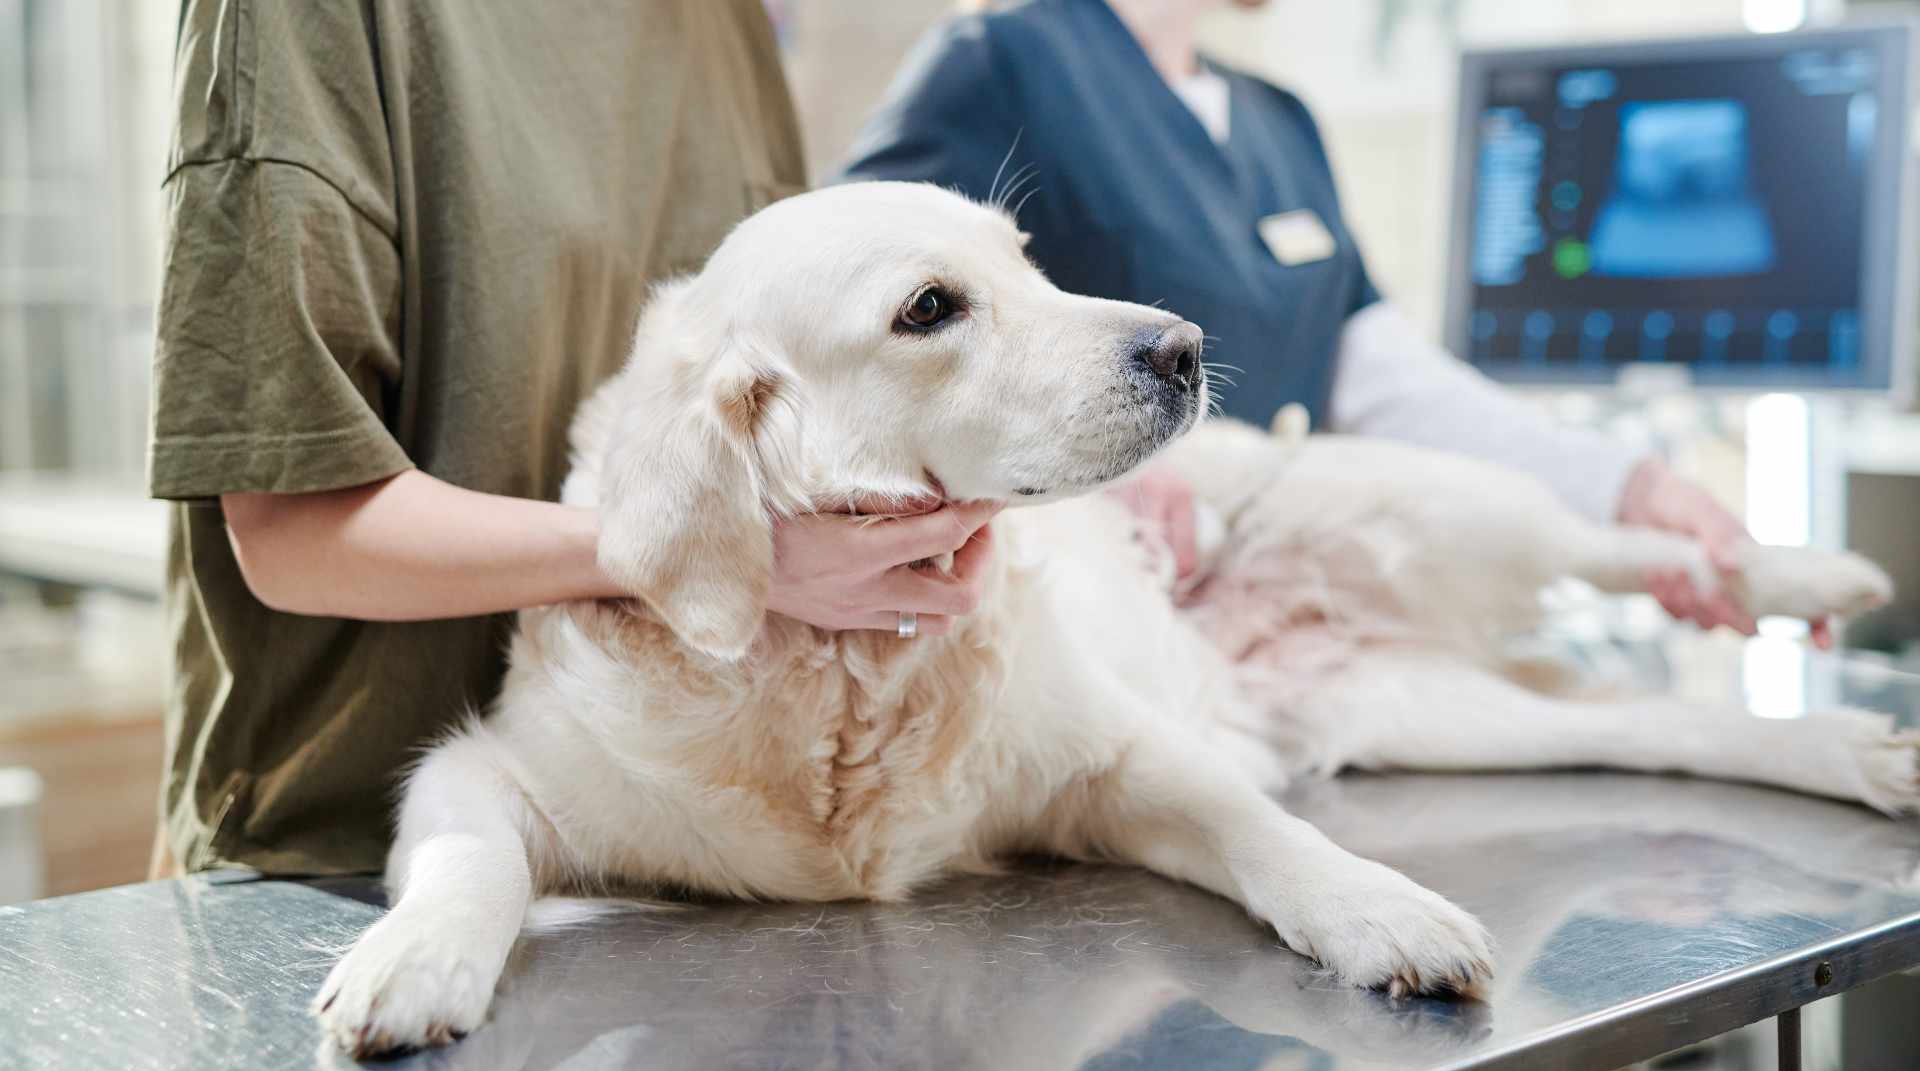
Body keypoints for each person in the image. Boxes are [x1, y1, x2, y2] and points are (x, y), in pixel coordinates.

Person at [147, 0, 995, 878]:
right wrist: (703, 549)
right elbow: (294, 534)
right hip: (341, 860)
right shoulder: (306, 21)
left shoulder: (724, 25)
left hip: (688, 846)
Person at [837, 0, 1790, 641]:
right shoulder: (1001, 59)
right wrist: (1097, 487)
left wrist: (1632, 486)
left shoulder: (1278, 119)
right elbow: (851, 336)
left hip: (1286, 618)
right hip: (1097, 630)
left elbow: (1381, 379)